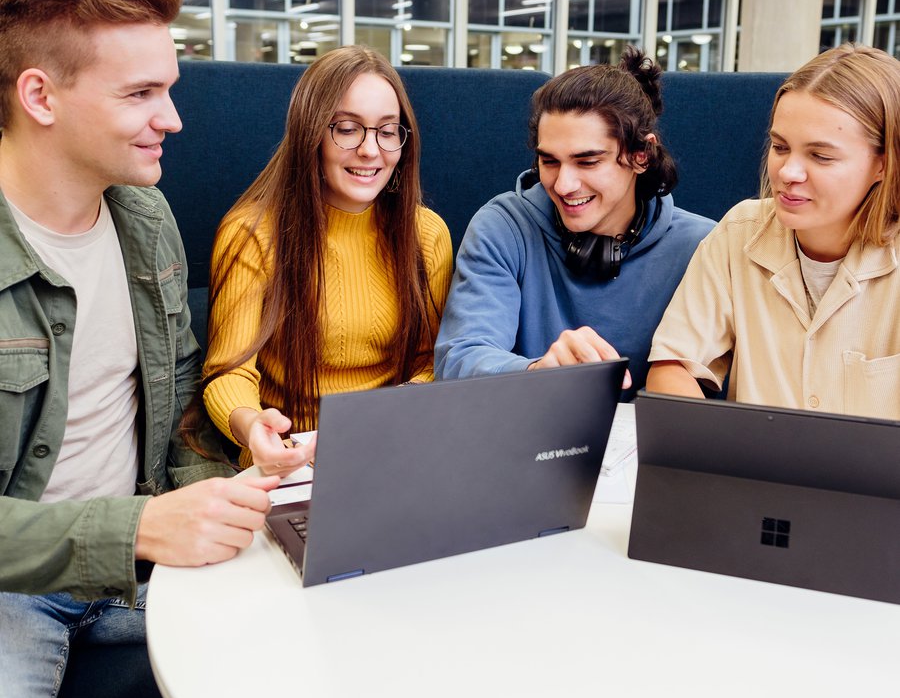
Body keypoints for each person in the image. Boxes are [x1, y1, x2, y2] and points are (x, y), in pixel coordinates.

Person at [0, 0, 287, 698]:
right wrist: (133, 528)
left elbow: (184, 392)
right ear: (40, 95)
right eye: (140, 93)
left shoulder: (143, 216)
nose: (173, 118)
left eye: (170, 87)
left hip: (144, 566)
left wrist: (229, 484)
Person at [199, 46, 453, 474]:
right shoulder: (252, 232)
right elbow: (228, 371)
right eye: (348, 129)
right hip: (290, 459)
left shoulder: (426, 233)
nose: (371, 150)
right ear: (310, 132)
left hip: (392, 446)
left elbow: (434, 362)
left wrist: (387, 419)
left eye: (388, 131)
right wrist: (252, 426)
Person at [434, 46, 714, 397]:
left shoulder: (705, 247)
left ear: (641, 155)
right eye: (549, 161)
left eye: (587, 162)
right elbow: (458, 360)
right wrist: (537, 372)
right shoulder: (502, 227)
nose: (563, 185)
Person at [647, 43, 900, 419]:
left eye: (821, 156)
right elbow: (673, 366)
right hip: (754, 474)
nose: (787, 173)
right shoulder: (740, 232)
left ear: (883, 164)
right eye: (780, 147)